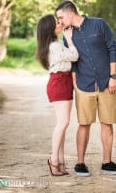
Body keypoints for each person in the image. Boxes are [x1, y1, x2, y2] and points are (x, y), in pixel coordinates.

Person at [56, 0, 116, 176]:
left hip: (107, 83)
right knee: (84, 124)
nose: (60, 21)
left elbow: (113, 49)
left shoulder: (98, 24)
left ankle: (107, 163)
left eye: (61, 17)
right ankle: (80, 163)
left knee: (107, 123)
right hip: (84, 85)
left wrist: (113, 77)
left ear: (70, 13)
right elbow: (72, 60)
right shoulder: (67, 34)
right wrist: (76, 84)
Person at [36, 14, 79, 176]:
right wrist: (70, 38)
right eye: (57, 23)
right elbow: (74, 56)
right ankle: (54, 159)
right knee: (63, 123)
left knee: (63, 124)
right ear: (50, 29)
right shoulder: (54, 46)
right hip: (59, 82)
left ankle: (60, 161)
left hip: (64, 81)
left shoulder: (56, 44)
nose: (60, 23)